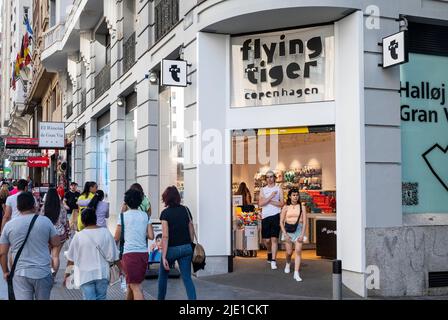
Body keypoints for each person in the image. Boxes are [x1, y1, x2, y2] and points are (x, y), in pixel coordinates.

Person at [0, 192, 60, 300]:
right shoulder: (46, 222)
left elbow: (2, 253)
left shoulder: (9, 226)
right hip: (43, 272)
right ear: (34, 205)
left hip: (20, 273)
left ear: (17, 207)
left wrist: (5, 271)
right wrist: (54, 267)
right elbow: (56, 243)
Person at [64, 208, 119, 300]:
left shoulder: (78, 236)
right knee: (101, 298)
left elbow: (71, 259)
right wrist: (123, 271)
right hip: (102, 273)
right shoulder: (106, 233)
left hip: (85, 274)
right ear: (95, 219)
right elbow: (114, 256)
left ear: (82, 221)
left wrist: (67, 275)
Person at [158, 186, 197, 300]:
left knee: (163, 277)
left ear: (166, 199)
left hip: (171, 249)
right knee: (187, 279)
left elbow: (165, 236)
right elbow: (191, 229)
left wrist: (164, 256)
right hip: (186, 248)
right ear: (177, 197)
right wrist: (190, 244)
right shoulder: (186, 210)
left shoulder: (165, 213)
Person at [114, 189, 154, 300]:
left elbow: (116, 238)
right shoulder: (145, 216)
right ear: (140, 201)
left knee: (135, 287)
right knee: (131, 285)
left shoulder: (122, 217)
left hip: (129, 255)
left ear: (126, 202)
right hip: (143, 255)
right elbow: (151, 236)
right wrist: (140, 232)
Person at [40, 188, 69, 277]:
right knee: (55, 256)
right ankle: (53, 276)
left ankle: (48, 274)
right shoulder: (62, 207)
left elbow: (41, 219)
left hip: (46, 233)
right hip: (59, 233)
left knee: (47, 255)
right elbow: (64, 221)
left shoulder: (44, 207)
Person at [258, 170, 284, 270]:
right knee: (267, 240)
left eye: (271, 176)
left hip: (276, 215)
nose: (269, 179)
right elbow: (260, 204)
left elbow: (282, 204)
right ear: (266, 179)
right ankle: (269, 251)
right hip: (265, 216)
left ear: (274, 178)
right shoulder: (262, 190)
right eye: (267, 177)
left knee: (274, 239)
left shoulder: (279, 189)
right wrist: (271, 196)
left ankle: (273, 260)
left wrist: (268, 200)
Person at [280, 188, 307, 282]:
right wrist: (285, 234)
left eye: (297, 195)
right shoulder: (286, 207)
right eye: (294, 195)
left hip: (299, 230)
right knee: (289, 252)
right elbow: (281, 222)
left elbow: (304, 222)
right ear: (290, 196)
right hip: (288, 231)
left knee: (298, 251)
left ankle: (296, 273)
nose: (295, 197)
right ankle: (288, 263)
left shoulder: (302, 206)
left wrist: (302, 234)